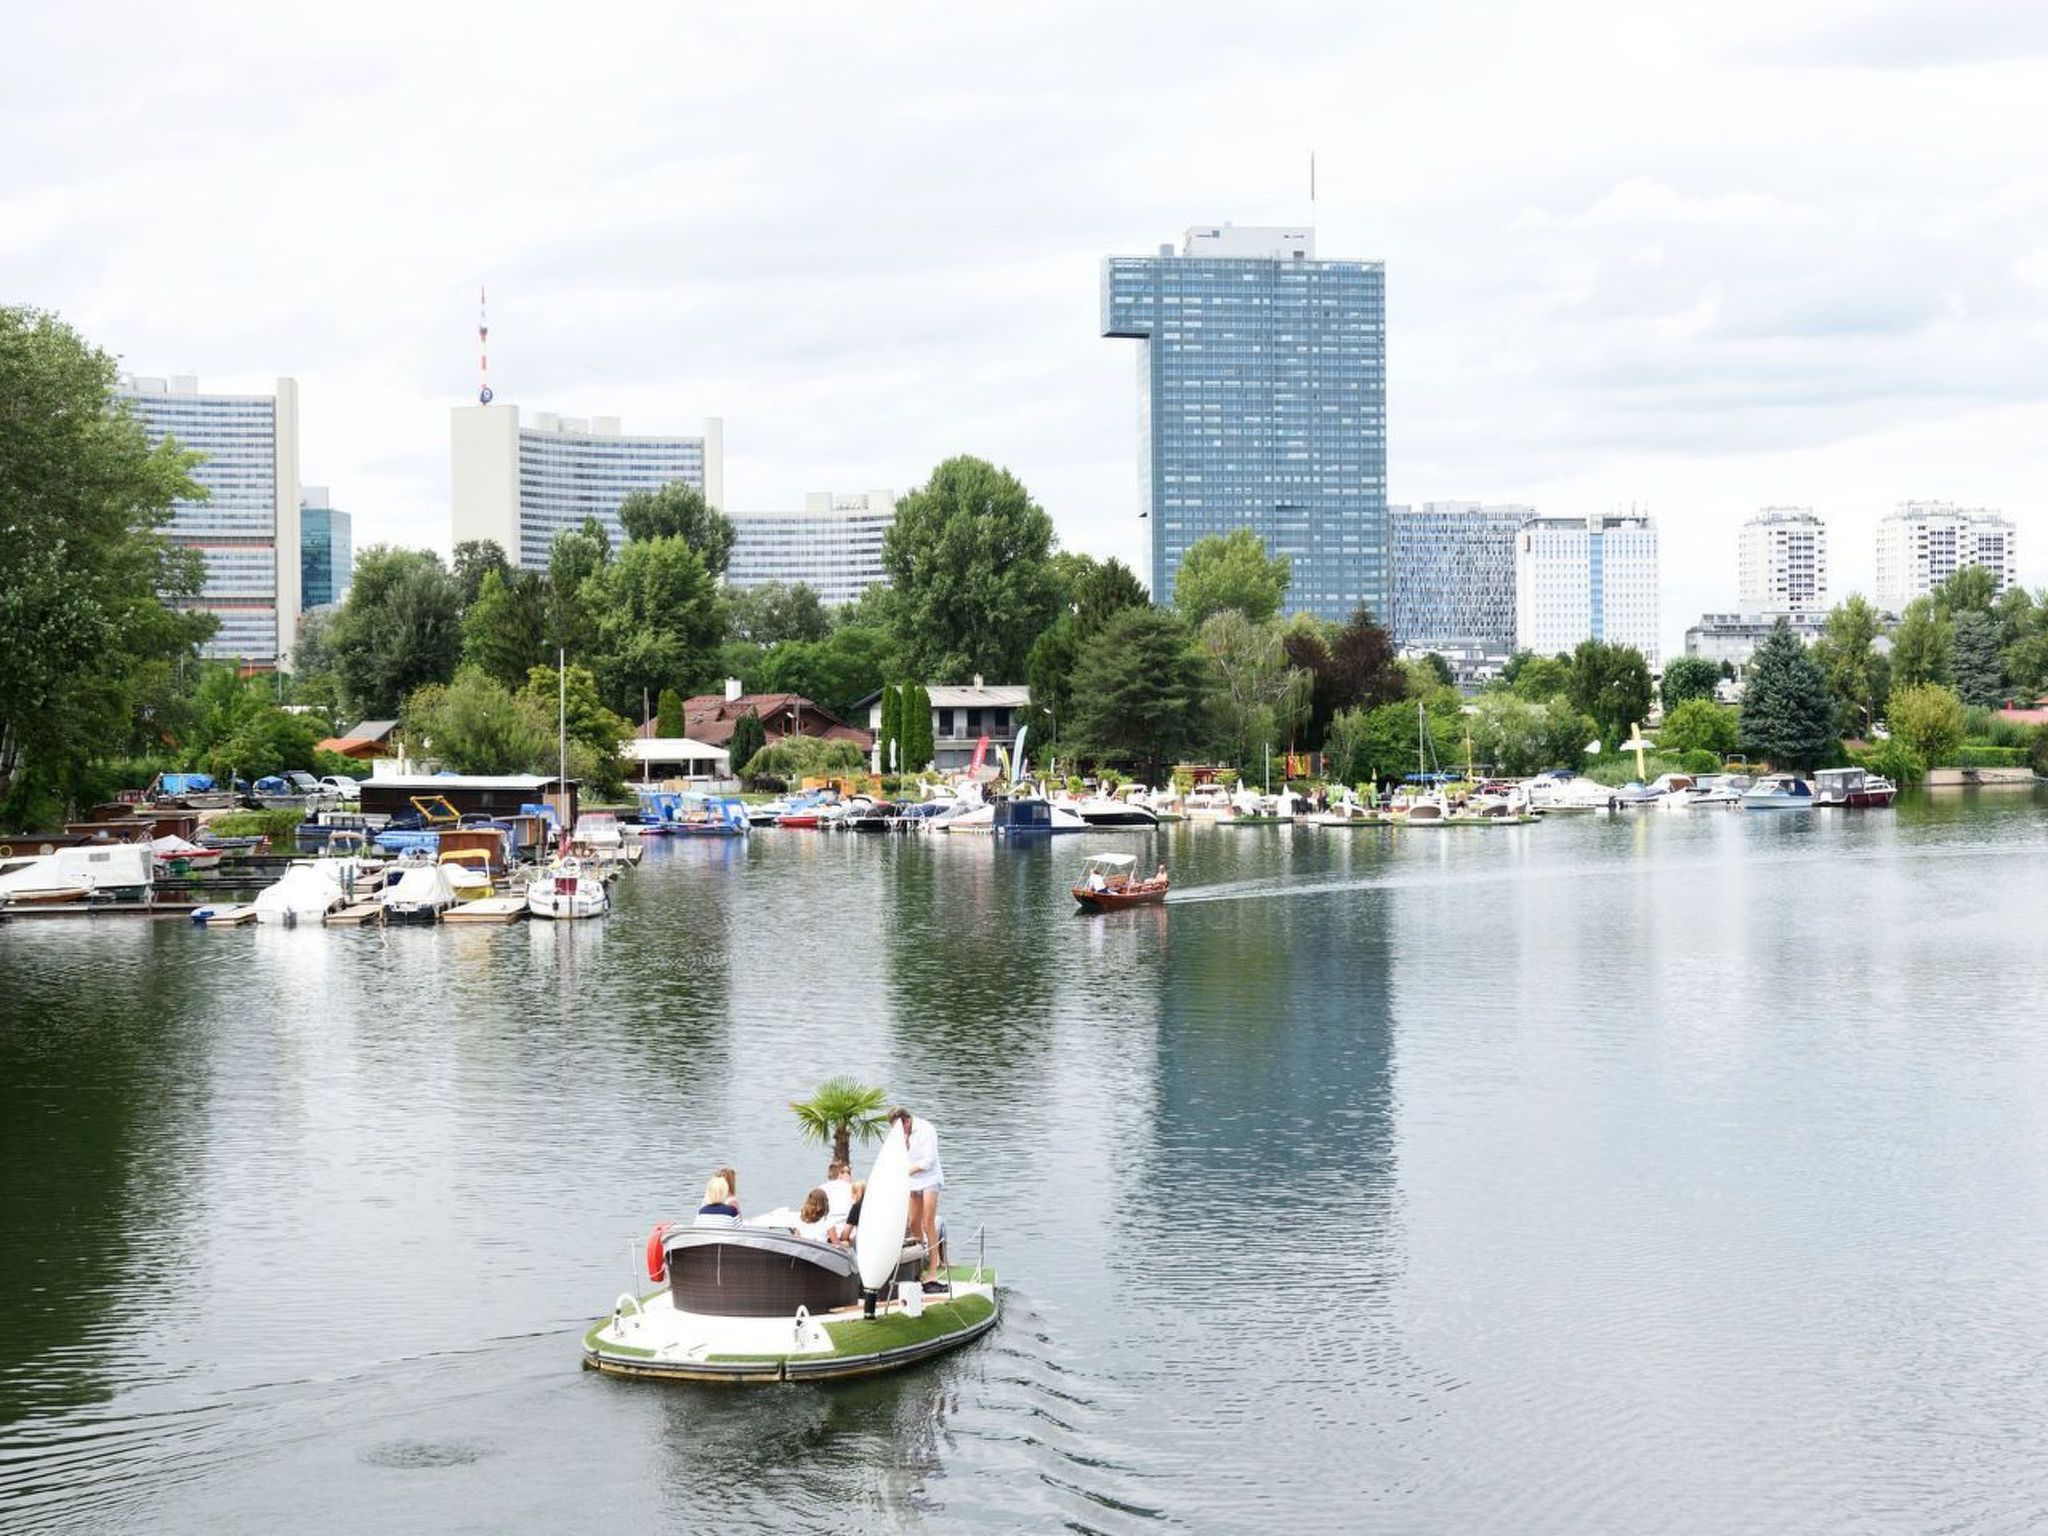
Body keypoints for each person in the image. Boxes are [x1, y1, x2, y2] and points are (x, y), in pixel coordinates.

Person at [889, 1106, 946, 1290]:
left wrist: (908, 1170)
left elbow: (929, 1160)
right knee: (913, 1223)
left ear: (906, 1121)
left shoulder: (926, 1129)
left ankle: (933, 1271)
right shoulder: (900, 1134)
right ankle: (918, 1264)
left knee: (928, 1223)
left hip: (929, 1178)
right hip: (912, 1181)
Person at [827, 1180, 866, 1246]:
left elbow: (845, 1234)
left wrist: (837, 1239)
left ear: (856, 1193)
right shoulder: (869, 1205)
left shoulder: (857, 1207)